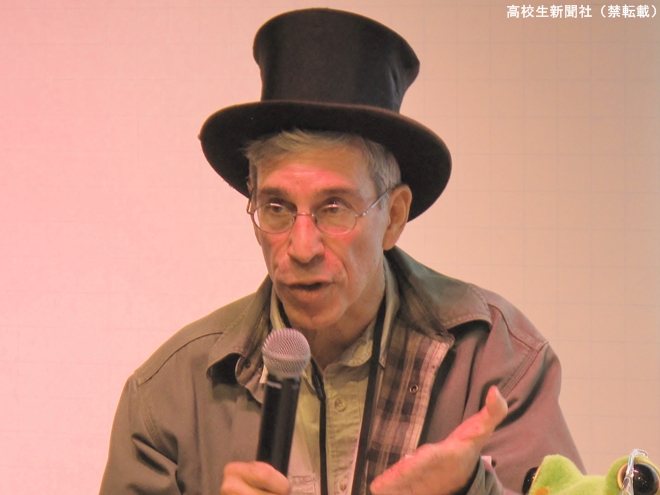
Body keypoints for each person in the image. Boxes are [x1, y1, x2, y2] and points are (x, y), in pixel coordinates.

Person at [99, 8, 583, 495]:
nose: (301, 247)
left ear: (394, 216)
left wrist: (470, 488)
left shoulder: (497, 362)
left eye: (334, 208)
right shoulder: (168, 398)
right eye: (276, 208)